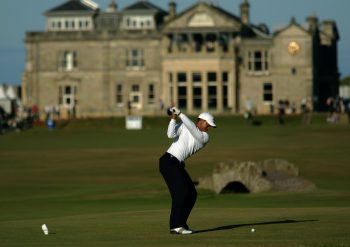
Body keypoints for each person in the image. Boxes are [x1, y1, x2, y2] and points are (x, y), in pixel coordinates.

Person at [159, 107, 216, 235]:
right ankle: (175, 226)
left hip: (176, 164)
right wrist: (173, 119)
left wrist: (180, 114)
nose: (209, 128)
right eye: (208, 124)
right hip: (168, 161)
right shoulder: (185, 125)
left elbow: (191, 128)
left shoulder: (204, 137)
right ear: (201, 121)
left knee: (191, 194)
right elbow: (170, 135)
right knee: (181, 193)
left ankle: (181, 224)